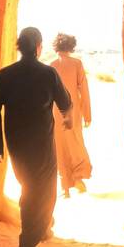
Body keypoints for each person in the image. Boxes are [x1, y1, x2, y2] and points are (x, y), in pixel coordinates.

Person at [0, 26, 72, 247]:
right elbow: (65, 102)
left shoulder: (5, 75)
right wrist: (68, 117)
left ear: (19, 46)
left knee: (29, 189)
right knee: (44, 193)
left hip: (16, 143)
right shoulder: (48, 74)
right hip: (42, 144)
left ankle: (37, 234)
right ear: (38, 47)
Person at [50, 33, 93, 196]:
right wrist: (87, 114)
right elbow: (84, 91)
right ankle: (78, 178)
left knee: (59, 147)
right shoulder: (77, 64)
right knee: (75, 143)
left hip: (55, 112)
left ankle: (65, 187)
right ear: (71, 46)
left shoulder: (51, 66)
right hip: (73, 112)